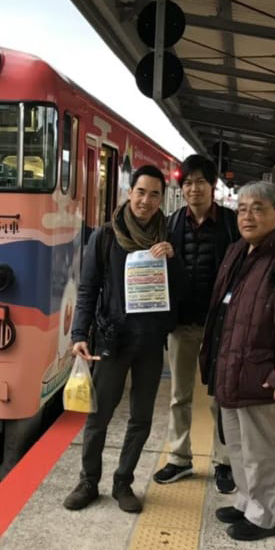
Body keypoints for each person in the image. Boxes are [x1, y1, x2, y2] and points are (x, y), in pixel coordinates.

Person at [200, 181, 275, 540]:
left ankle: (267, 515)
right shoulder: (241, 252)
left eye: (257, 208)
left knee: (265, 450)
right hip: (234, 371)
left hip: (263, 378)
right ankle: (247, 500)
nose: (247, 215)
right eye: (241, 209)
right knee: (238, 446)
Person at [64, 165, 185, 514]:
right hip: (111, 340)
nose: (146, 200)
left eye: (155, 195)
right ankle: (88, 481)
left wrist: (173, 261)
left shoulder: (168, 238)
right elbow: (87, 290)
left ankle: (123, 482)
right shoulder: (104, 237)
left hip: (149, 342)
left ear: (162, 199)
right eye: (141, 192)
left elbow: (182, 292)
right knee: (98, 415)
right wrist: (79, 335)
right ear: (129, 193)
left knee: (141, 417)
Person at [153, 155, 240, 492]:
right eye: (187, 183)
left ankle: (225, 461)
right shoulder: (172, 223)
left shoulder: (232, 223)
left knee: (221, 396)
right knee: (180, 395)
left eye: (200, 182)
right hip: (183, 323)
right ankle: (179, 458)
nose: (193, 188)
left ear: (212, 185)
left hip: (222, 326)